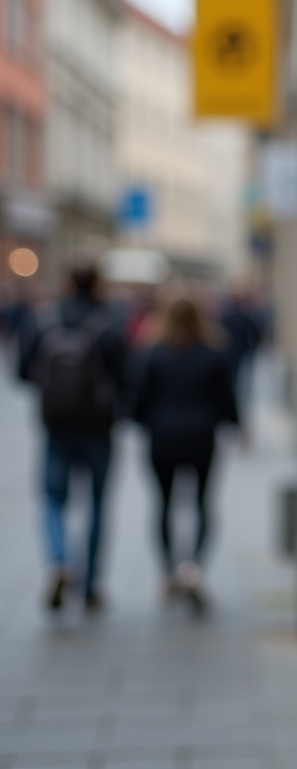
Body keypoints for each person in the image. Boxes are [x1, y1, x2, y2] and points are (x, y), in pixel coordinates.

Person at [19, 260, 127, 612]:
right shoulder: (108, 324)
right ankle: (91, 584)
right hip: (98, 428)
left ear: (67, 284)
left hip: (56, 426)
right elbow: (127, 377)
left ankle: (60, 560)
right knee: (96, 504)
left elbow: (22, 370)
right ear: (97, 286)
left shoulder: (44, 321)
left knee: (53, 499)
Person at [132, 296, 241, 610]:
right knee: (202, 503)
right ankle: (192, 567)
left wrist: (143, 421)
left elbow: (139, 403)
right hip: (201, 437)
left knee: (164, 504)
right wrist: (236, 425)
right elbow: (227, 399)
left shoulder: (153, 354)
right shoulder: (213, 354)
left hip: (162, 437)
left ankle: (168, 572)